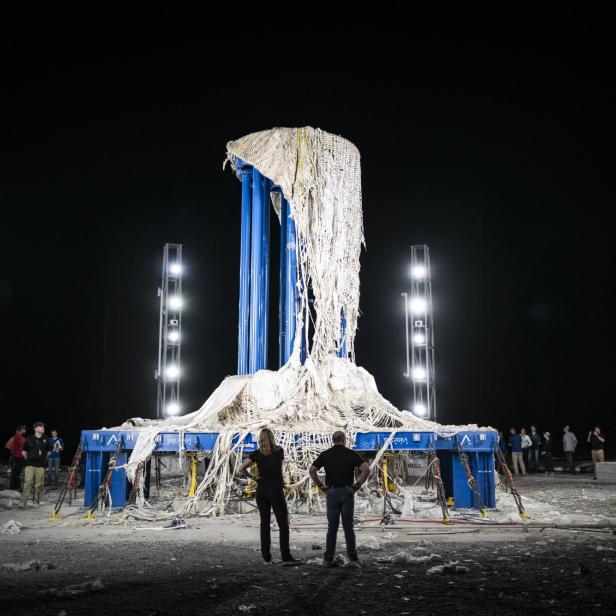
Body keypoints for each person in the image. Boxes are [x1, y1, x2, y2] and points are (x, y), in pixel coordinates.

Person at [237, 428, 301, 566]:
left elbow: (241, 469)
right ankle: (286, 556)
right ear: (272, 438)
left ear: (260, 439)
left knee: (264, 523)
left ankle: (266, 556)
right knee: (283, 523)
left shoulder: (256, 454)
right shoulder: (279, 451)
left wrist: (253, 477)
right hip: (275, 489)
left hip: (262, 490)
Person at [309, 431, 370, 568]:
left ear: (333, 440)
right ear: (344, 440)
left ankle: (328, 559)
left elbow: (312, 470)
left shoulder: (326, 454)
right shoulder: (351, 454)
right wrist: (357, 485)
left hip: (332, 492)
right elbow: (366, 469)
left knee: (332, 527)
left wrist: (321, 486)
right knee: (348, 527)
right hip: (347, 492)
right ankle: (353, 558)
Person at [19, 422, 50, 508]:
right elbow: (24, 452)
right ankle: (23, 502)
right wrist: (28, 459)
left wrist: (43, 459)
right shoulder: (29, 439)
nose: (43, 428)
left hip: (41, 466)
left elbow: (49, 452)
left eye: (43, 427)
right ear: (36, 429)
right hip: (30, 465)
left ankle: (36, 502)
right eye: (41, 427)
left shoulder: (46, 439)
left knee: (38, 485)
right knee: (28, 483)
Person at [6, 425, 27, 490]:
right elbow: (26, 446)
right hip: (18, 458)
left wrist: (15, 448)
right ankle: (17, 488)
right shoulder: (19, 437)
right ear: (21, 430)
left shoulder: (16, 437)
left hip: (15, 457)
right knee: (16, 474)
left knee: (14, 473)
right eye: (24, 429)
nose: (25, 431)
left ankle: (12, 487)